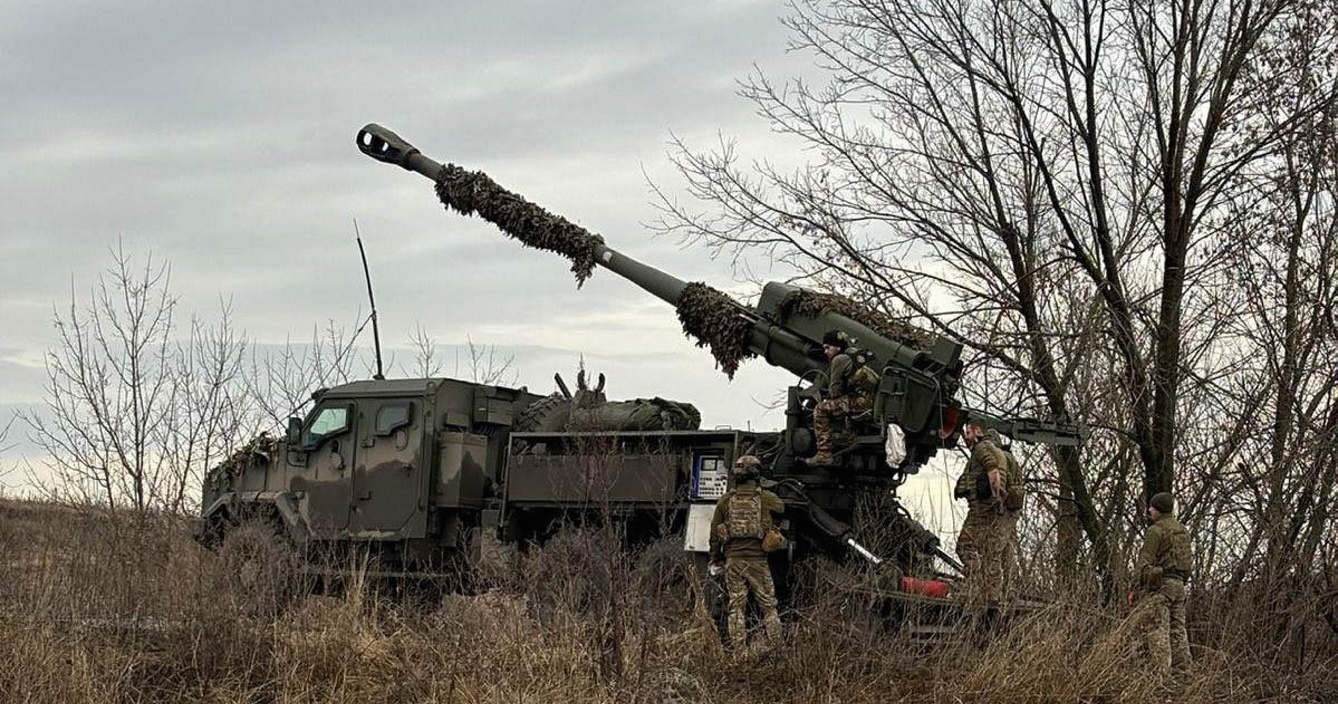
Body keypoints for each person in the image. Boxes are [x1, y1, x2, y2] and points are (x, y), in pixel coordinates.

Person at [709, 454, 785, 651]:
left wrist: (715, 559)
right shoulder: (767, 499)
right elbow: (781, 507)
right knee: (769, 606)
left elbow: (714, 535)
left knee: (736, 607)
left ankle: (740, 651)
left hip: (733, 562)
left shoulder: (725, 501)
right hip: (758, 562)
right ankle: (777, 648)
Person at [1125, 491, 1193, 680]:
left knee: (1158, 630)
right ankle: (1184, 675)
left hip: (1161, 587)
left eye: (1151, 508)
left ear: (1158, 510)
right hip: (1179, 585)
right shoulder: (1183, 530)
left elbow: (1144, 561)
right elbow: (1187, 563)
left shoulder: (1155, 531)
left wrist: (1135, 587)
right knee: (1178, 630)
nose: (1149, 510)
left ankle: (1161, 678)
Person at [953, 418, 1011, 606]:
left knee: (965, 546)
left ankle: (975, 586)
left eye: (968, 432)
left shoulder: (983, 448)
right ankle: (991, 594)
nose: (966, 437)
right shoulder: (995, 449)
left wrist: (995, 497)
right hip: (990, 509)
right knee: (990, 552)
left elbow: (992, 470)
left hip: (982, 509)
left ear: (978, 430)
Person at [808, 330, 879, 466]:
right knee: (842, 406)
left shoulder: (839, 359)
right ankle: (849, 439)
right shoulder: (854, 354)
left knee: (821, 409)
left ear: (838, 347)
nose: (825, 352)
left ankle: (824, 453)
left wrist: (827, 399)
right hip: (868, 401)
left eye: (828, 347)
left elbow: (835, 390)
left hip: (861, 402)